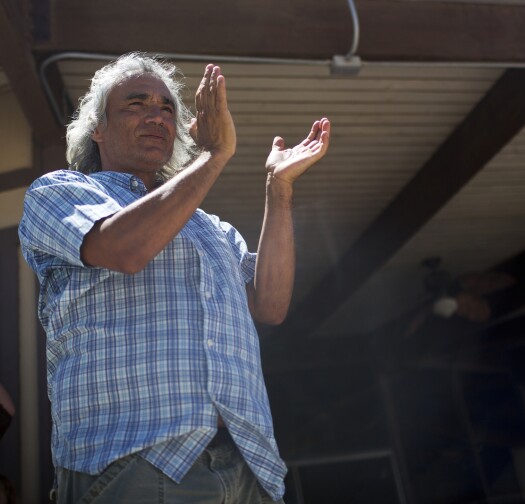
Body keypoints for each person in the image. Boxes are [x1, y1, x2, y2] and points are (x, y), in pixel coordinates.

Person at [19, 52, 330, 503]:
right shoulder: (60, 191)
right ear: (97, 129)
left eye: (167, 107)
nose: (156, 115)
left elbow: (270, 304)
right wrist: (215, 155)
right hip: (132, 460)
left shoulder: (210, 225)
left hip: (247, 465)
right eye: (136, 104)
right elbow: (125, 248)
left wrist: (278, 190)